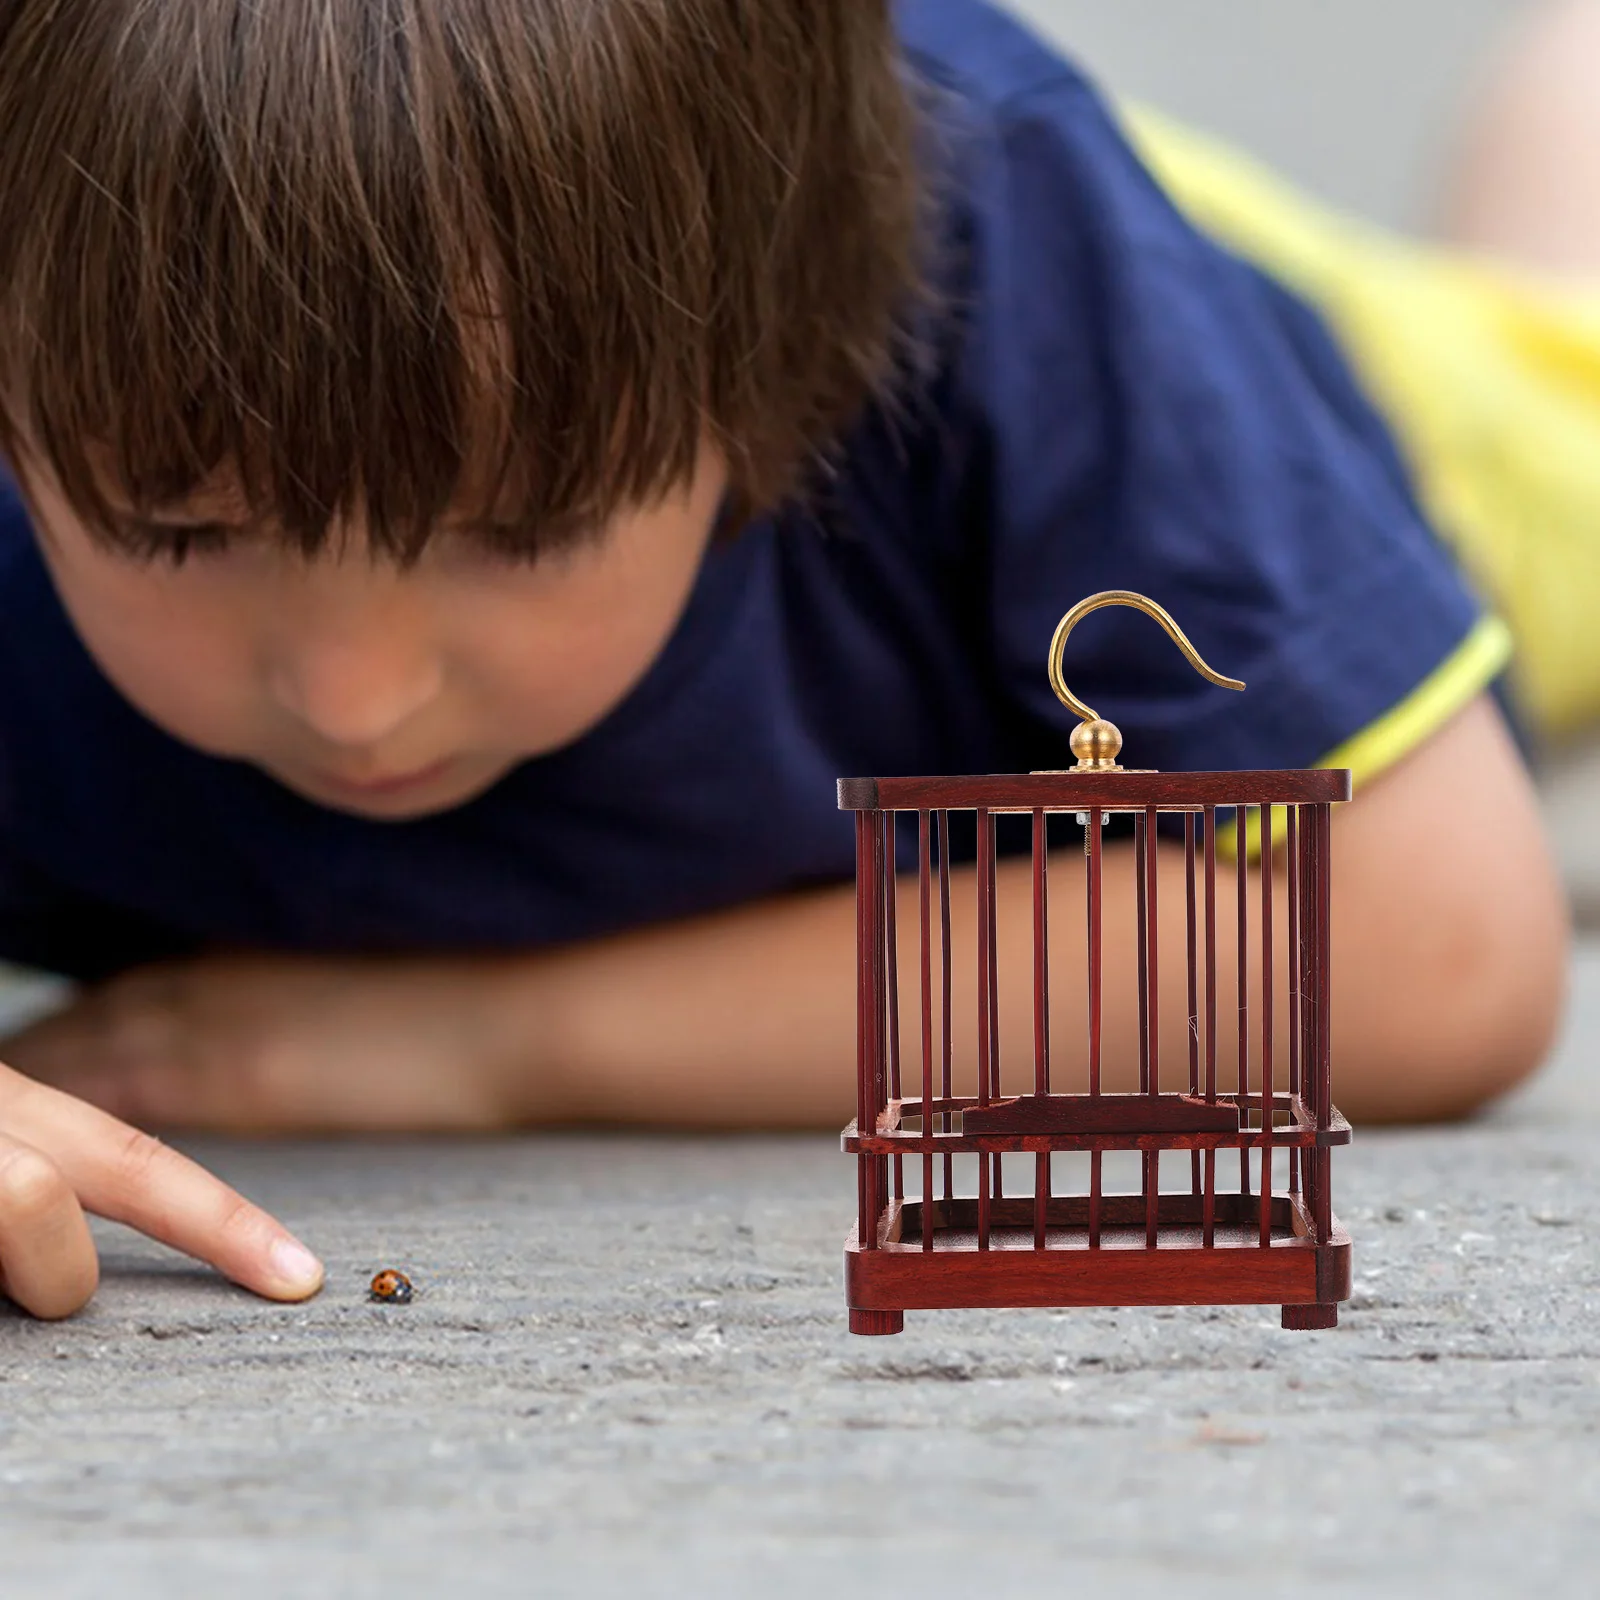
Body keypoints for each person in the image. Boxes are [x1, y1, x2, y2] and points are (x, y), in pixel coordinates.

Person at [0, 0, 1578, 1321]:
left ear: (785, 387)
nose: (358, 694)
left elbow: (1431, 950)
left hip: (1265, 355)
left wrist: (472, 1039)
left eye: (526, 529)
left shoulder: (990, 241)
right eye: (181, 531)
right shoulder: (53, 242)